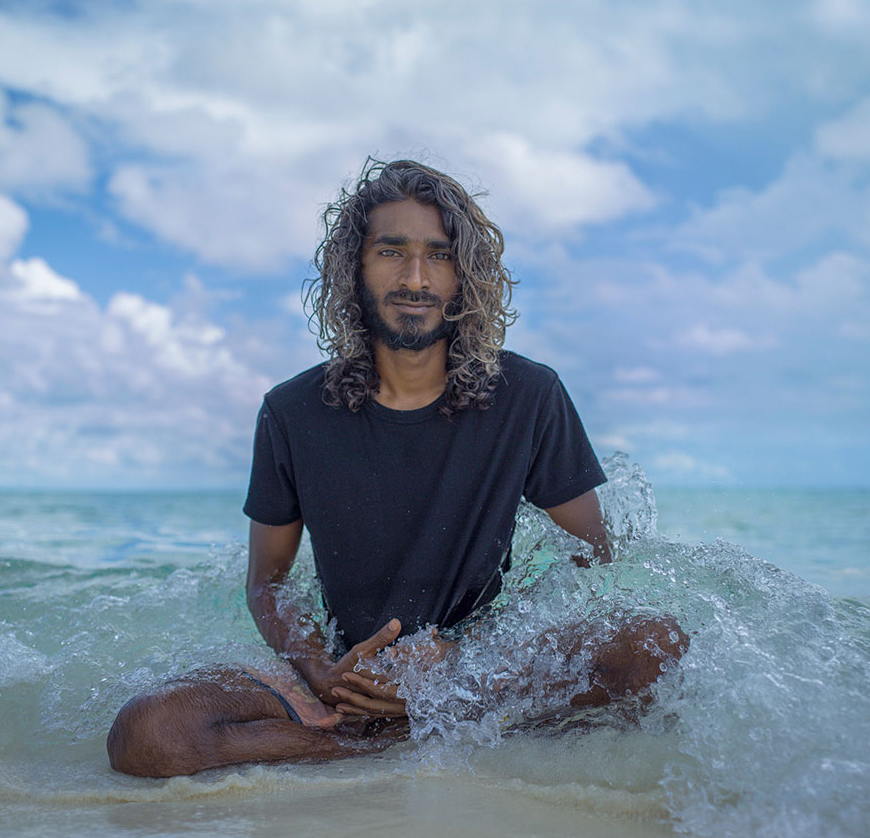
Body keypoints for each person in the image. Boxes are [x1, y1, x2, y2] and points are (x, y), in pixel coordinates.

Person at [107, 159, 687, 778]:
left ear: (465, 276)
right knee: (149, 733)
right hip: (342, 675)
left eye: (438, 256)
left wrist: (464, 666)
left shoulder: (528, 395)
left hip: (478, 672)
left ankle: (422, 726)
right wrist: (319, 669)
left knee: (659, 647)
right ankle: (386, 740)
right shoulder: (291, 411)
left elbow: (592, 557)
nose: (415, 278)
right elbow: (267, 582)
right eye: (391, 252)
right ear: (354, 270)